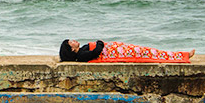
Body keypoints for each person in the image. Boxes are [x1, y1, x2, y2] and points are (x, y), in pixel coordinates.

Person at [58, 39, 195, 63]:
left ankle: (181, 55)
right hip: (117, 52)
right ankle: (182, 56)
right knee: (148, 52)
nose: (75, 40)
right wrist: (100, 43)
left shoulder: (81, 52)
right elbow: (97, 52)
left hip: (117, 49)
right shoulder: (81, 55)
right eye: (72, 42)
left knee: (148, 51)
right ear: (72, 49)